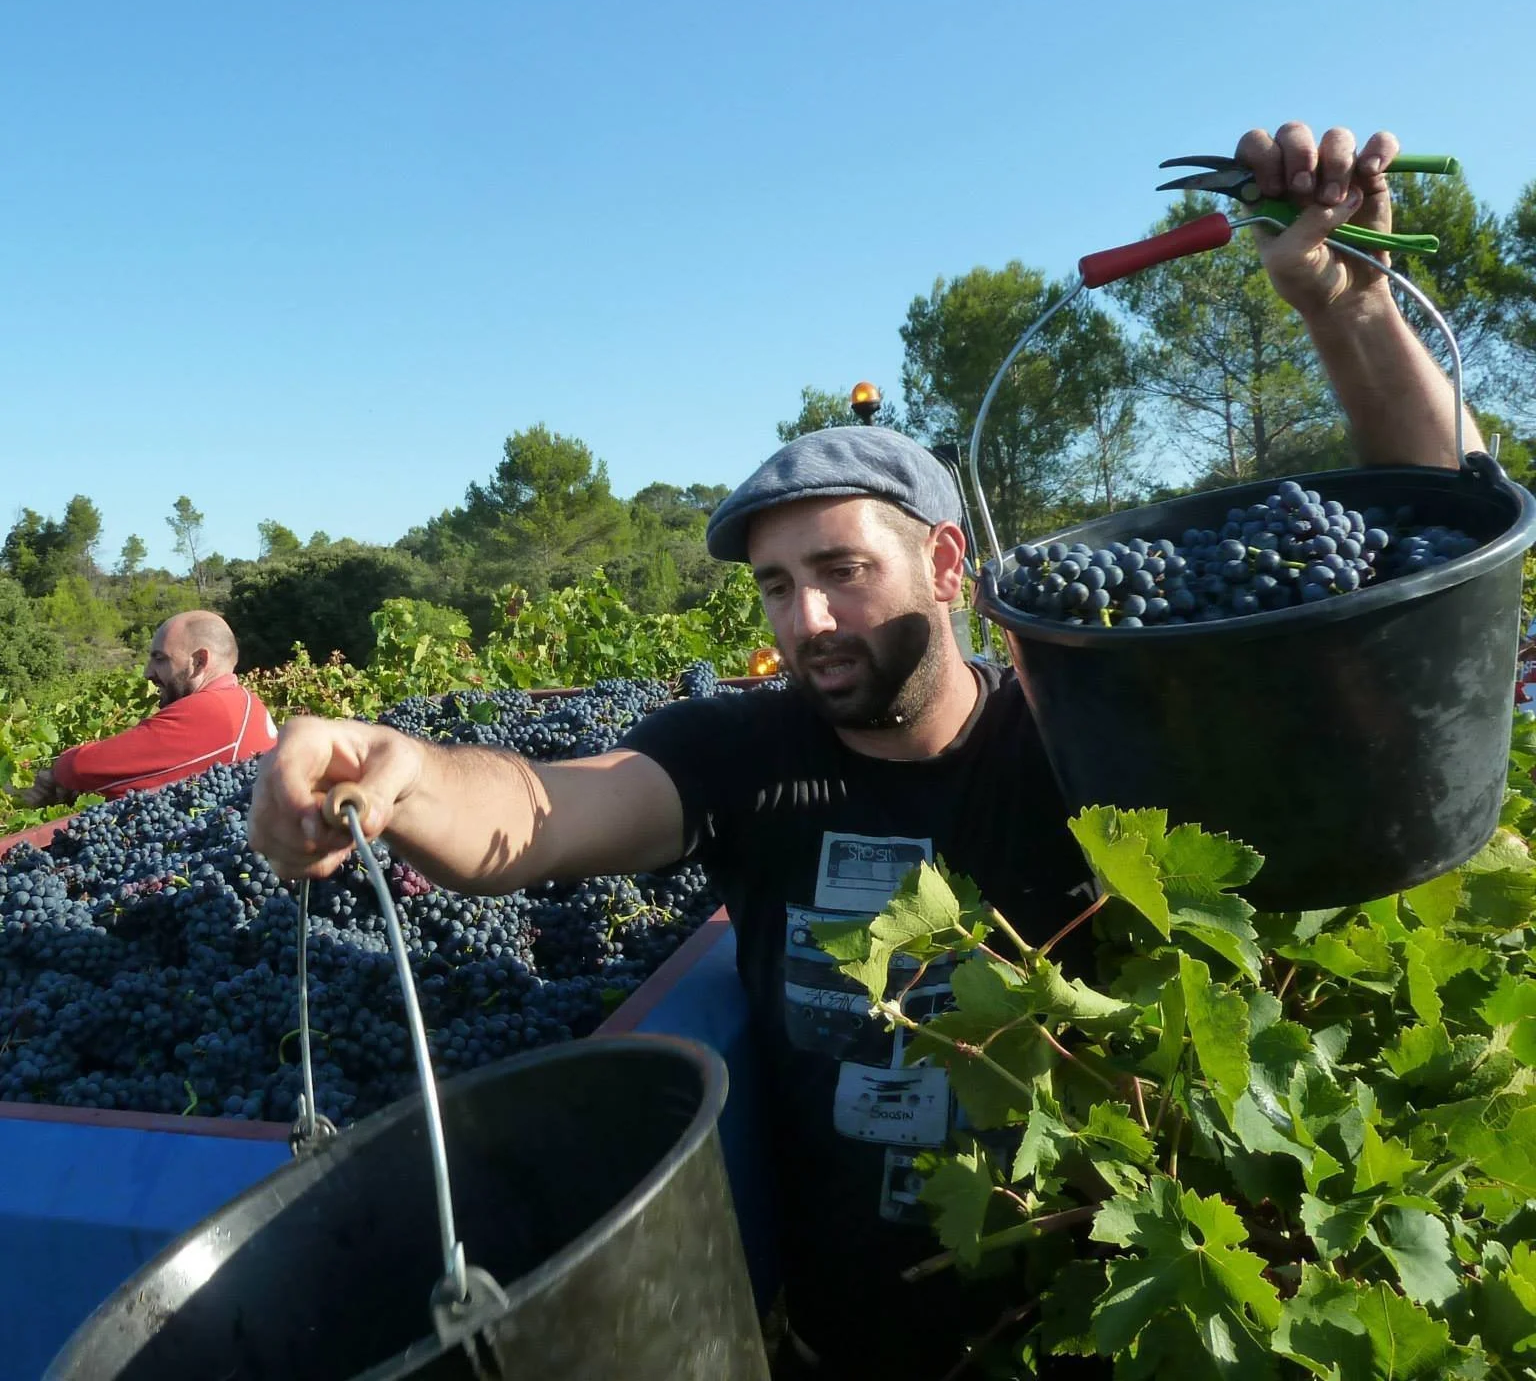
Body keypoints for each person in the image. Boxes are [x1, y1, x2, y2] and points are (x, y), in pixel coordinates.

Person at [249, 124, 1480, 1379]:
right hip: (841, 1350)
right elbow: (547, 808)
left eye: (841, 571)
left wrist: (1350, 307)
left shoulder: (1088, 734)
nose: (809, 621)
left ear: (946, 565)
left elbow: (1424, 562)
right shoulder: (745, 752)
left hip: (1091, 1332)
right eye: (778, 587)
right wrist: (405, 776)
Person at [23, 611, 278, 807]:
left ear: (199, 661)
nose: (147, 672)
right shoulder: (245, 701)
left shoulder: (211, 711)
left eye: (160, 659)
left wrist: (55, 774)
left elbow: (80, 767)